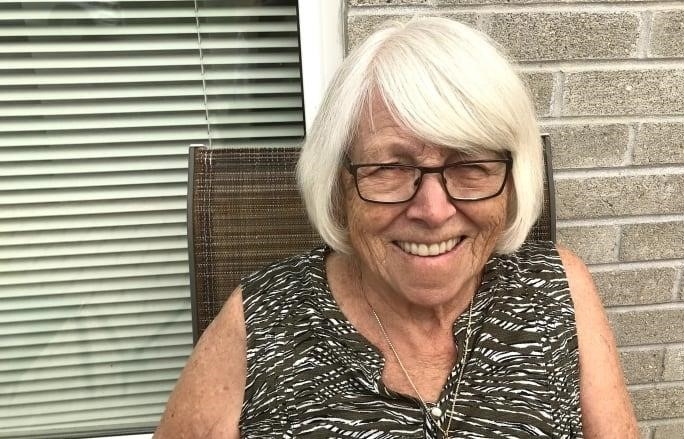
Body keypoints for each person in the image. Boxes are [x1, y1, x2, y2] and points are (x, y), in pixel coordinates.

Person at [155, 17, 638, 438]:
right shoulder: (260, 318)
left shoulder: (558, 287)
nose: (433, 210)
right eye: (389, 167)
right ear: (339, 184)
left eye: (470, 164)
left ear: (512, 182)